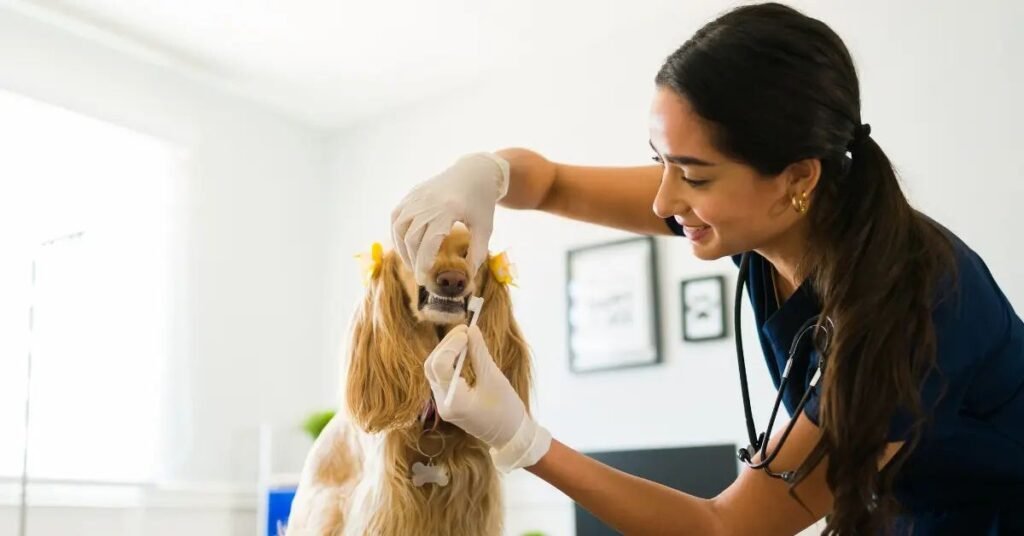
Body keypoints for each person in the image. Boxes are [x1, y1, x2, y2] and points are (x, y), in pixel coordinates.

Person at [390, 3, 1024, 534]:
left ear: (797, 178)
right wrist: (482, 177)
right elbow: (550, 183)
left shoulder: (915, 311)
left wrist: (522, 440)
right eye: (661, 161)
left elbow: (725, 528)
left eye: (692, 173)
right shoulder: (765, 214)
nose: (664, 200)